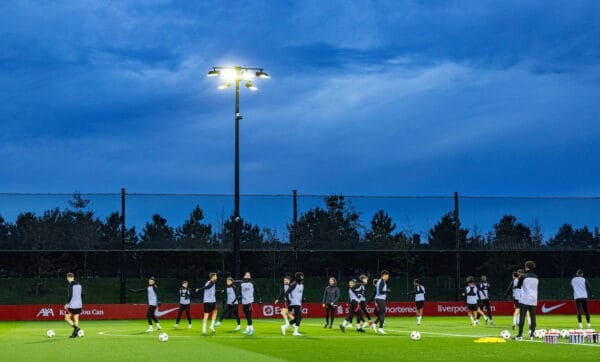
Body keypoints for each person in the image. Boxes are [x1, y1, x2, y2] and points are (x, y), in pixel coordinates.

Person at [515, 261, 539, 340]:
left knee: (522, 316)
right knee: (533, 317)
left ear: (527, 267)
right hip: (534, 299)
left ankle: (520, 335)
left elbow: (518, 286)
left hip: (525, 299)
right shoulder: (536, 277)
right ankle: (532, 334)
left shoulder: (523, 276)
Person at [283, 272, 305, 336]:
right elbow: (286, 292)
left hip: (298, 302)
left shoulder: (302, 285)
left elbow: (301, 293)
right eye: (301, 276)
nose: (302, 277)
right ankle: (295, 332)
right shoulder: (294, 284)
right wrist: (289, 300)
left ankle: (285, 327)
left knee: (297, 318)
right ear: (298, 277)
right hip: (294, 302)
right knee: (299, 316)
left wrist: (303, 298)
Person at [64, 272, 83, 338]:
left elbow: (70, 295)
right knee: (76, 318)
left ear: (68, 278)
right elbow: (82, 295)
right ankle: (75, 334)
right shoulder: (79, 284)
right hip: (79, 305)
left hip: (72, 305)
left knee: (67, 318)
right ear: (73, 277)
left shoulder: (70, 285)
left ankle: (76, 328)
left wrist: (67, 303)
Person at [373, 270, 390, 334]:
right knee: (382, 313)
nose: (388, 277)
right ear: (384, 275)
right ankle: (380, 328)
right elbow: (380, 291)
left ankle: (374, 324)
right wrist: (386, 291)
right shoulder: (382, 281)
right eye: (387, 275)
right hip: (380, 299)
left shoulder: (380, 281)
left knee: (381, 313)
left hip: (379, 299)